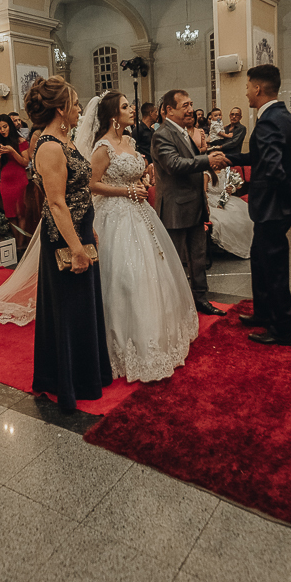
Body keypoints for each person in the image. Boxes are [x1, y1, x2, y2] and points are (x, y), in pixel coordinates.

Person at [80, 91, 199, 382]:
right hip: (116, 216)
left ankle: (158, 336)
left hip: (141, 212)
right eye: (125, 107)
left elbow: (132, 172)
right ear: (113, 115)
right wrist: (126, 190)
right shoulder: (103, 147)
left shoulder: (130, 141)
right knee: (126, 276)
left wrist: (144, 176)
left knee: (152, 271)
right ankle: (126, 344)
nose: (132, 109)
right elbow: (92, 184)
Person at [27, 76, 111, 412]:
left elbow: (79, 193)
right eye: (75, 103)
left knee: (83, 307)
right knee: (69, 309)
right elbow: (56, 203)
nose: (79, 109)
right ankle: (67, 381)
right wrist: (76, 247)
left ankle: (86, 374)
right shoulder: (49, 147)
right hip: (63, 239)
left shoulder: (66, 141)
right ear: (61, 109)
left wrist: (89, 230)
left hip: (80, 231)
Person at [229, 65, 291, 345]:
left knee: (274, 269)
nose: (246, 92)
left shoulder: (268, 121)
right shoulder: (283, 116)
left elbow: (275, 168)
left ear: (257, 88)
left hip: (273, 206)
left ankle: (281, 330)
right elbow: (261, 157)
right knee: (260, 260)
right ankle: (263, 313)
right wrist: (228, 158)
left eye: (247, 87)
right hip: (273, 205)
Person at [151, 89, 230, 317]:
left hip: (194, 204)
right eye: (185, 105)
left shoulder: (184, 131)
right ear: (169, 110)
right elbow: (174, 164)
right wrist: (207, 160)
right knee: (174, 260)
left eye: (191, 104)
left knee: (198, 257)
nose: (191, 110)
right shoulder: (162, 134)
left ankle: (200, 299)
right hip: (175, 208)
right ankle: (174, 306)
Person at [0, 114, 30, 234]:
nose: (2, 130)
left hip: (19, 179)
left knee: (20, 213)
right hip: (6, 181)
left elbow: (25, 162)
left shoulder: (21, 141)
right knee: (10, 214)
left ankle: (22, 243)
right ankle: (16, 241)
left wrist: (12, 151)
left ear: (10, 126)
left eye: (5, 127)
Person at [205, 166, 252, 259]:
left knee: (244, 214)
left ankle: (247, 245)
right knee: (226, 220)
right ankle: (231, 246)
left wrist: (231, 189)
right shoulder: (206, 174)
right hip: (211, 201)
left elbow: (231, 186)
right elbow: (203, 192)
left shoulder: (225, 172)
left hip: (226, 199)